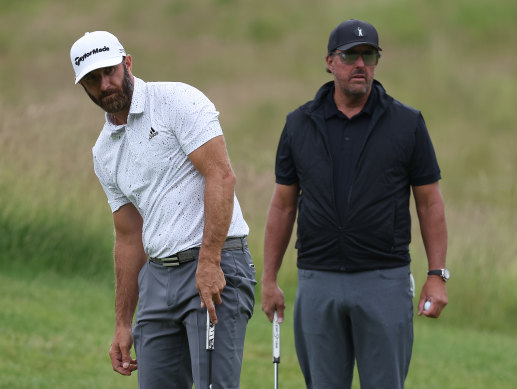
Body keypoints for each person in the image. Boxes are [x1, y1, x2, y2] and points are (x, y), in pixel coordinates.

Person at [261, 19, 448, 389]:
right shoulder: (299, 125)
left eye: (369, 55)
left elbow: (429, 204)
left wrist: (436, 275)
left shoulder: (407, 123)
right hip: (318, 280)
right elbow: (283, 206)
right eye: (350, 55)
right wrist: (268, 279)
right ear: (330, 61)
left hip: (384, 280)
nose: (360, 64)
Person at [70, 31, 256, 389]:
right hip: (158, 278)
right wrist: (123, 322)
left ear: (127, 63)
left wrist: (209, 262)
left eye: (109, 71)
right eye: (93, 79)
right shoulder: (104, 151)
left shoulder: (177, 101)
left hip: (214, 263)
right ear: (84, 87)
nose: (105, 84)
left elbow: (221, 176)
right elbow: (127, 236)